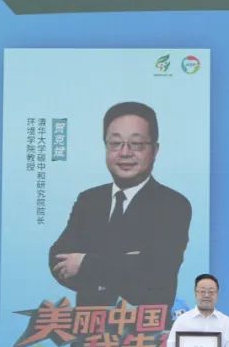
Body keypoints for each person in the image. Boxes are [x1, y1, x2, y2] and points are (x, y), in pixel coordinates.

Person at [49, 101, 192, 309]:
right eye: (115, 143)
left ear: (155, 150)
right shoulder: (89, 200)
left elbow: (157, 272)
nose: (125, 152)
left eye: (137, 144)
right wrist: (124, 266)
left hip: (143, 327)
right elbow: (58, 258)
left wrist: (85, 263)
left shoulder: (173, 205)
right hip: (89, 326)